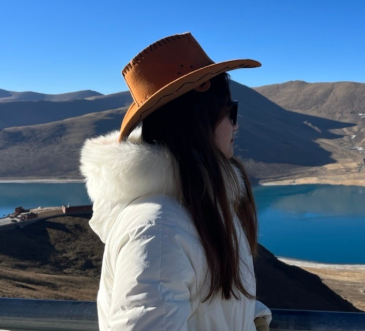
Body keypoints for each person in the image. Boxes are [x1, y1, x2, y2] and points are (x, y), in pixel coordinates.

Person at [80, 32, 272, 331]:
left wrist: (250, 317)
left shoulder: (196, 206)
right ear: (198, 119)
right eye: (230, 112)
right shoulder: (158, 229)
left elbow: (204, 303)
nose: (236, 125)